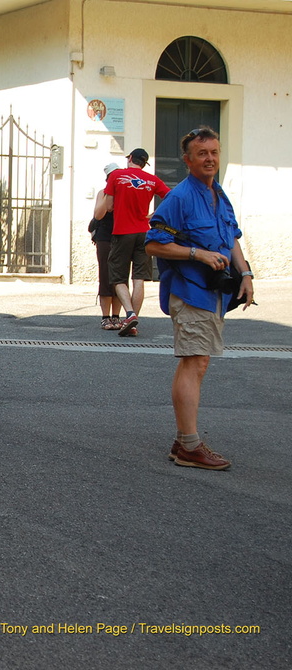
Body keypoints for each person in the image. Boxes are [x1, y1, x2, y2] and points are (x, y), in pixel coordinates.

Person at [144, 127, 253, 471]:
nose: (209, 159)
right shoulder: (180, 197)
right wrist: (198, 254)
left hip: (213, 294)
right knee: (194, 361)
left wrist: (245, 274)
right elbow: (153, 243)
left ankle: (183, 441)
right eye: (202, 153)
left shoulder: (218, 193)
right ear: (187, 159)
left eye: (214, 152)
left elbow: (231, 236)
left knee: (199, 361)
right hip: (190, 290)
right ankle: (190, 445)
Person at [94, 148, 170, 336]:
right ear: (145, 163)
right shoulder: (153, 180)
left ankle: (129, 314)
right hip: (144, 232)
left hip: (122, 232)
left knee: (118, 277)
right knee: (139, 278)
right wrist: (154, 216)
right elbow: (171, 198)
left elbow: (109, 206)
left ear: (129, 159)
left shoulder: (117, 176)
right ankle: (133, 323)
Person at [90, 163, 123, 330]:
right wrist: (108, 194)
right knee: (105, 275)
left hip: (122, 238)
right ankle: (105, 316)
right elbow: (99, 214)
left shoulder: (125, 193)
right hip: (105, 239)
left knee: (120, 277)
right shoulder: (102, 193)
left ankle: (116, 316)